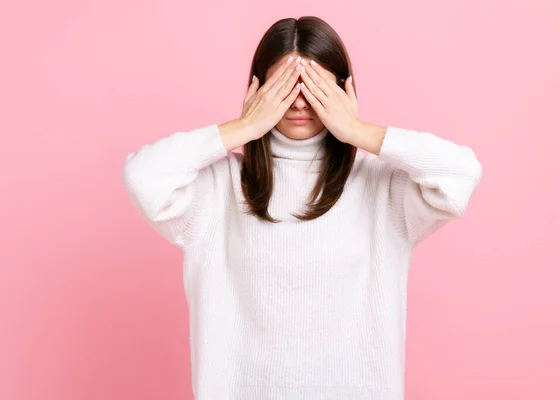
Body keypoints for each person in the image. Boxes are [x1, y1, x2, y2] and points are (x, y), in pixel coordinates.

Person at [122, 15, 482, 400]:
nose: (298, 101)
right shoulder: (218, 186)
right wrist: (245, 127)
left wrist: (357, 130)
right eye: (284, 86)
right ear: (257, 89)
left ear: (345, 90)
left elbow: (461, 175)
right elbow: (144, 175)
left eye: (313, 86)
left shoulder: (381, 185)